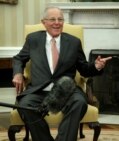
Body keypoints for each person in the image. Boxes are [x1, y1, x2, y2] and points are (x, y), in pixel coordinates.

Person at [12, 6, 112, 141]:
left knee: (79, 102)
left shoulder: (73, 42)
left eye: (60, 19)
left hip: (67, 91)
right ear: (44, 22)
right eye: (52, 19)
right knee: (24, 105)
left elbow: (83, 69)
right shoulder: (33, 39)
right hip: (39, 90)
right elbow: (18, 58)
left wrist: (96, 66)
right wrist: (18, 74)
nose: (57, 23)